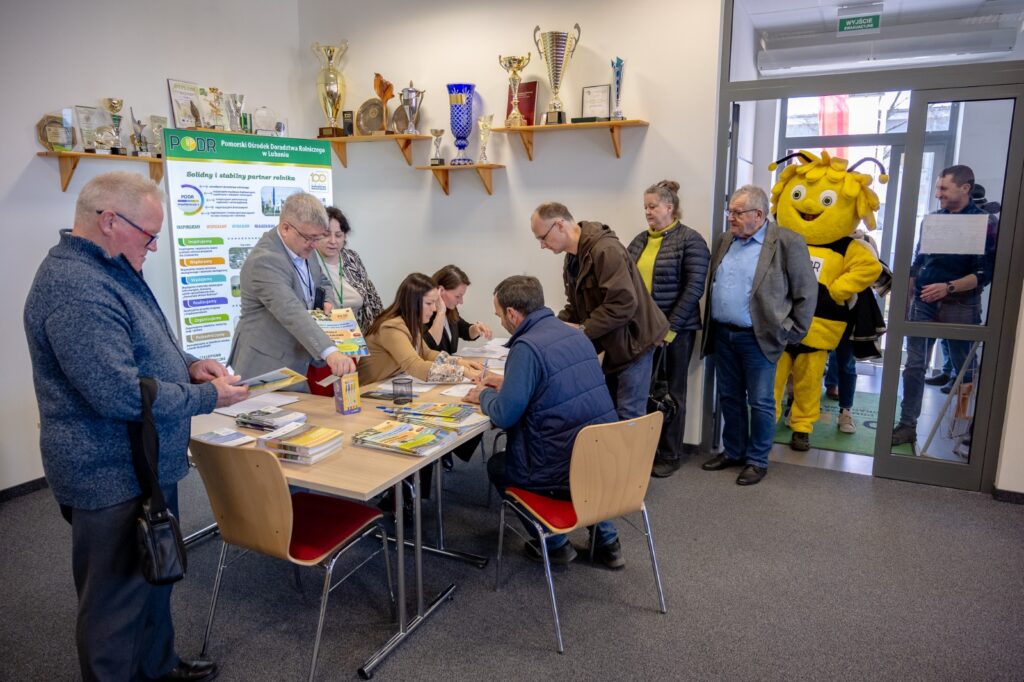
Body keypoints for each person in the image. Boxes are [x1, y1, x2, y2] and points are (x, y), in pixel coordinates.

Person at [23, 171, 249, 681]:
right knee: (114, 601)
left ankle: (158, 667)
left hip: (141, 463)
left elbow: (145, 348)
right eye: (149, 234)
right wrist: (206, 396)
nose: (153, 244)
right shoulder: (75, 287)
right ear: (108, 221)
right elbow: (118, 392)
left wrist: (189, 363)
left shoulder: (112, 267)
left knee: (155, 574)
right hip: (108, 472)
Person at [465, 276, 620, 568]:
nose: (500, 321)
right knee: (576, 449)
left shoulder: (526, 347)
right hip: (602, 456)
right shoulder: (575, 334)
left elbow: (503, 414)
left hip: (556, 468)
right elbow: (557, 384)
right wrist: (510, 382)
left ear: (512, 313)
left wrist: (483, 394)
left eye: (499, 315)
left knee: (499, 466)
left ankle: (554, 542)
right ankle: (608, 541)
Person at [700, 185, 817, 486]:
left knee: (761, 401)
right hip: (724, 334)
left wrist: (790, 332)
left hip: (760, 337)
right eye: (730, 212)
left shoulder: (787, 243)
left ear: (759, 214)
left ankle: (757, 460)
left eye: (737, 213)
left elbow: (806, 292)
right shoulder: (726, 240)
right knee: (729, 396)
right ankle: (734, 451)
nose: (731, 219)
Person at [531, 202, 668, 420]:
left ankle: (633, 456)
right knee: (610, 413)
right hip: (614, 341)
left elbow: (622, 304)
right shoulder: (573, 256)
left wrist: (582, 330)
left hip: (634, 343)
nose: (542, 245)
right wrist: (551, 329)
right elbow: (576, 307)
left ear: (559, 225)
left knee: (628, 416)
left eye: (543, 237)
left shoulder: (605, 250)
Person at [892, 165, 997, 446]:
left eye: (943, 189)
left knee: (965, 368)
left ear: (965, 188)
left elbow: (985, 273)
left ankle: (963, 425)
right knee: (914, 366)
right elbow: (917, 263)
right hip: (924, 302)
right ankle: (907, 425)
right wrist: (907, 301)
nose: (937, 194)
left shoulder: (985, 223)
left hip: (961, 304)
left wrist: (948, 287)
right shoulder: (933, 221)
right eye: (937, 188)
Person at [626, 180, 710, 477]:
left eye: (652, 206)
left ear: (670, 207)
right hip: (641, 332)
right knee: (642, 392)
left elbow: (694, 288)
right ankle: (645, 449)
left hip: (677, 332)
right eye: (645, 207)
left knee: (672, 394)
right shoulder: (639, 241)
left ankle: (670, 454)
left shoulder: (690, 240)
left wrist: (669, 329)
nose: (647, 212)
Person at [228, 192, 356, 383]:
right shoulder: (265, 261)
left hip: (297, 362)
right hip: (266, 366)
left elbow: (322, 281)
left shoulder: (304, 245)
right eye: (309, 238)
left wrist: (328, 299)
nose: (314, 245)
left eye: (317, 238)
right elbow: (291, 311)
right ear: (286, 228)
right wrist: (331, 352)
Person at [358, 273, 483, 386]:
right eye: (429, 303)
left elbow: (426, 353)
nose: (434, 309)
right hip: (368, 389)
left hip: (385, 384)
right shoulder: (391, 327)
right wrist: (463, 373)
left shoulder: (410, 323)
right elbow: (415, 365)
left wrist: (459, 362)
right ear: (412, 303)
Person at [313, 206, 383, 331]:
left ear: (345, 237)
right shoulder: (308, 260)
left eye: (338, 235)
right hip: (323, 336)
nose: (333, 241)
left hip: (358, 336)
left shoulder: (352, 258)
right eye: (326, 234)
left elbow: (372, 298)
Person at [425, 264, 493, 354]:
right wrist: (440, 313)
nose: (461, 302)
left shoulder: (450, 309)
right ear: (440, 291)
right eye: (458, 296)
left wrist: (476, 329)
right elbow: (427, 347)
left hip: (447, 366)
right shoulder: (424, 314)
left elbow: (464, 330)